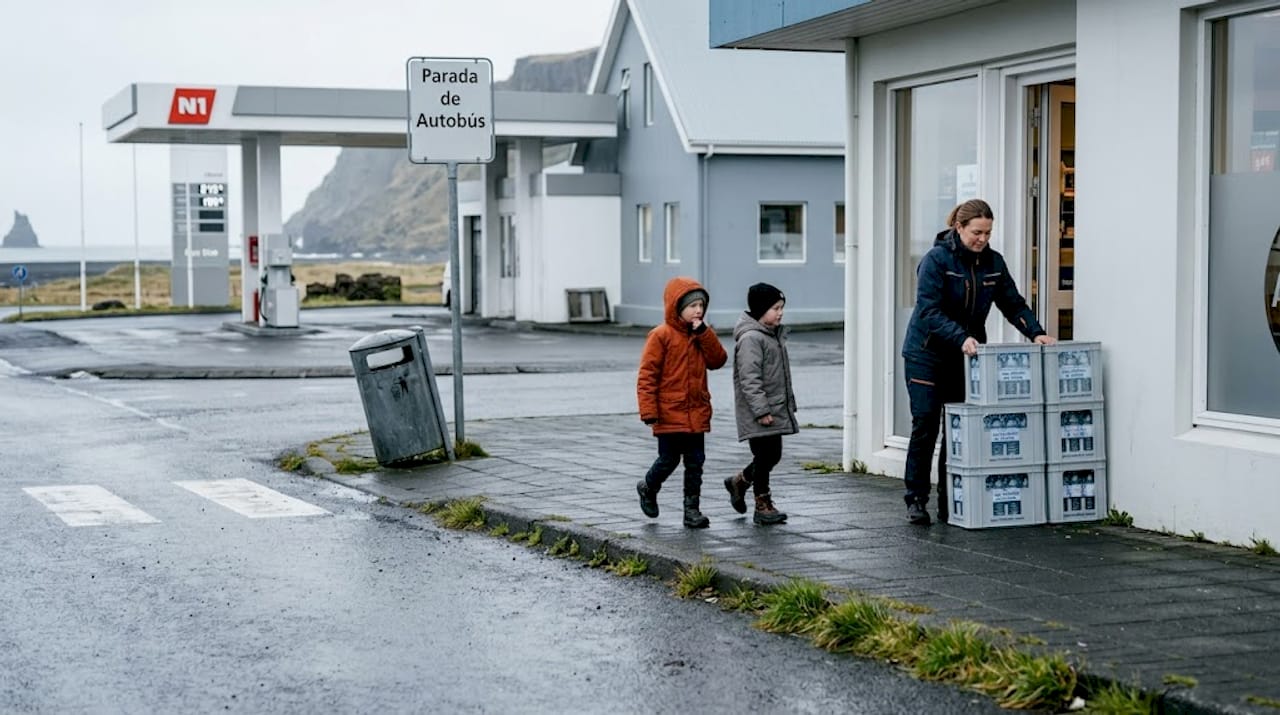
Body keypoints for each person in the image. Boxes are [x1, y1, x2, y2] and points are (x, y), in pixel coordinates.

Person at [900, 199, 1056, 526]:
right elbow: (928, 312)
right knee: (926, 423)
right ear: (959, 228)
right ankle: (916, 498)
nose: (981, 239)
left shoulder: (993, 263)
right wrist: (959, 337)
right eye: (976, 232)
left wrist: (1036, 333)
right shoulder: (936, 261)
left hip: (966, 356)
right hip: (926, 355)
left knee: (956, 429)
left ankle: (949, 498)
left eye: (987, 233)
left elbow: (1013, 304)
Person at [636, 277, 728, 528]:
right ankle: (648, 486)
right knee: (668, 459)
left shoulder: (702, 335)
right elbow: (647, 375)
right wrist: (648, 410)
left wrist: (704, 335)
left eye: (701, 305)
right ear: (677, 308)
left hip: (696, 411)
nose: (698, 310)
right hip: (669, 412)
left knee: (695, 461)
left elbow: (718, 360)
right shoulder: (661, 335)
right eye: (692, 306)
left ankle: (692, 511)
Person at [724, 282, 794, 525]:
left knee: (772, 455)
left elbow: (779, 377)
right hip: (760, 412)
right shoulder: (752, 339)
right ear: (761, 309)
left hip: (773, 409)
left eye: (782, 307)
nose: (780, 312)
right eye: (775, 308)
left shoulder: (771, 336)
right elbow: (749, 378)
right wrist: (761, 410)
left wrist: (787, 404)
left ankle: (740, 481)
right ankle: (762, 505)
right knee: (765, 456)